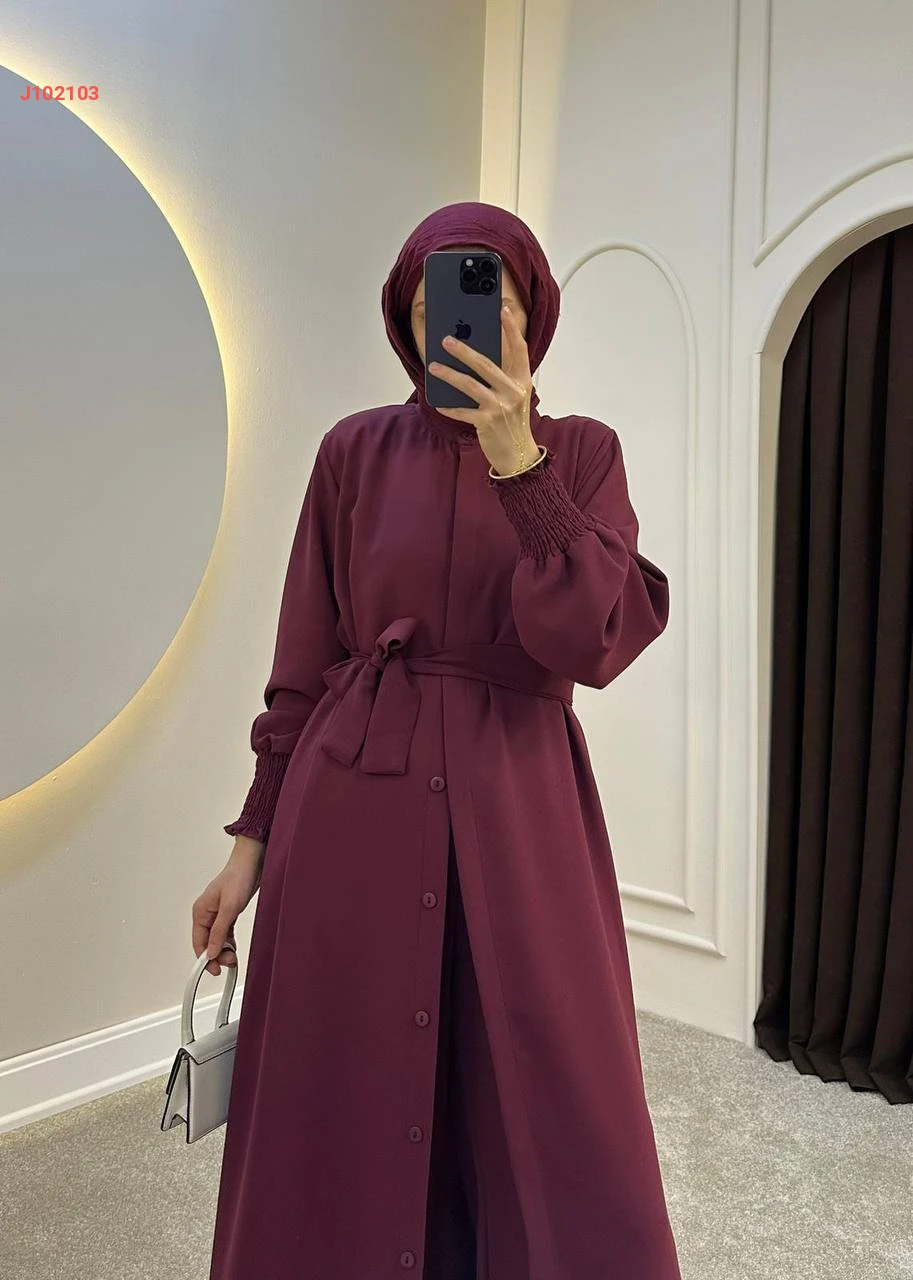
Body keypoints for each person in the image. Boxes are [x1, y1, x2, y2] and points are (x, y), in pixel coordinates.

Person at [197, 201, 682, 1279]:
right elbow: (302, 665)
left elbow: (589, 638)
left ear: (528, 312)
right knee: (345, 1072)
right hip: (350, 802)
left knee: (554, 1085)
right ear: (404, 322)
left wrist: (519, 465)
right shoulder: (352, 452)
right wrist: (248, 848)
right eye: (431, 305)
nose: (456, 322)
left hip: (522, 811)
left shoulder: (581, 453)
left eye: (483, 296)